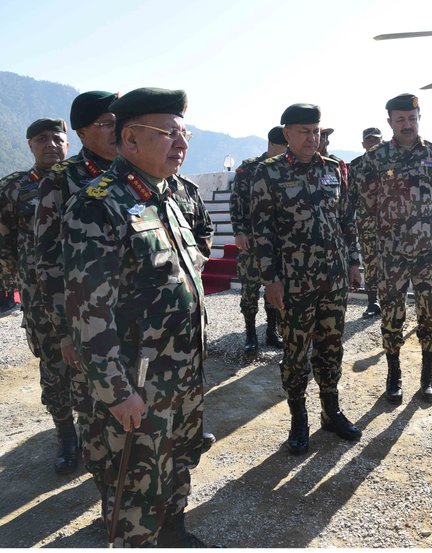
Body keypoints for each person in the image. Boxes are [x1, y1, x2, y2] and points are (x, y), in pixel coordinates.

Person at [63, 88, 208, 547]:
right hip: (136, 382)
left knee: (179, 462)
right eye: (167, 133)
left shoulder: (171, 196)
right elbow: (89, 313)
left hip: (181, 374)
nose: (180, 142)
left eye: (183, 132)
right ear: (129, 140)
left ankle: (175, 533)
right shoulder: (97, 205)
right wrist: (116, 392)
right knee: (136, 488)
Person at [250, 103, 362, 454]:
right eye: (304, 131)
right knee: (296, 351)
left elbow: (347, 222)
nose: (312, 138)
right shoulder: (268, 174)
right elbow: (261, 231)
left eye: (316, 131)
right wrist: (270, 279)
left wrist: (354, 263)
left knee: (332, 345)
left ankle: (331, 410)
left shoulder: (335, 170)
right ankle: (299, 418)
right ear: (287, 134)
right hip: (293, 280)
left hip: (333, 278)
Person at [34, 92, 117, 496]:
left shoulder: (132, 169)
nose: (116, 129)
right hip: (84, 317)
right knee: (93, 404)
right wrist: (66, 330)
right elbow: (47, 262)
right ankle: (104, 483)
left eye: (119, 120)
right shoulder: (60, 179)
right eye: (106, 123)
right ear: (83, 131)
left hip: (129, 315)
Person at [355, 93, 432, 405]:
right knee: (392, 316)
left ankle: (427, 375)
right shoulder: (375, 160)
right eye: (400, 120)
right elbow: (367, 210)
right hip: (390, 254)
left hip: (427, 252)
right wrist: (371, 257)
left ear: (419, 117)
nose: (407, 124)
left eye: (411, 118)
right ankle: (394, 375)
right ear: (390, 123)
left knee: (430, 314)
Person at [0, 118, 74, 474]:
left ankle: (101, 433)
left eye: (57, 138)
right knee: (53, 365)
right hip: (41, 298)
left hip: (91, 295)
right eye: (41, 139)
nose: (50, 145)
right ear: (30, 145)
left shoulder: (89, 182)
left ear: (68, 143)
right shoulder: (14, 188)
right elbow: (4, 244)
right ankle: (66, 434)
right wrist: (18, 280)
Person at [230, 125, 286, 356]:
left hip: (278, 243)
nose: (287, 152)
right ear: (272, 145)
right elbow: (237, 202)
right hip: (252, 242)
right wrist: (239, 231)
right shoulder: (249, 168)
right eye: (284, 147)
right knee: (250, 289)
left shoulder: (287, 168)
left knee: (275, 288)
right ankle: (251, 334)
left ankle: (272, 332)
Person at [348, 126, 384, 318]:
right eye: (369, 141)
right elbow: (351, 198)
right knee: (371, 262)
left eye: (376, 140)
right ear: (363, 144)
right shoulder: (355, 166)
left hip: (393, 225)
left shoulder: (392, 160)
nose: (373, 144)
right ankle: (373, 302)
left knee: (394, 263)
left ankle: (392, 302)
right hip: (367, 224)